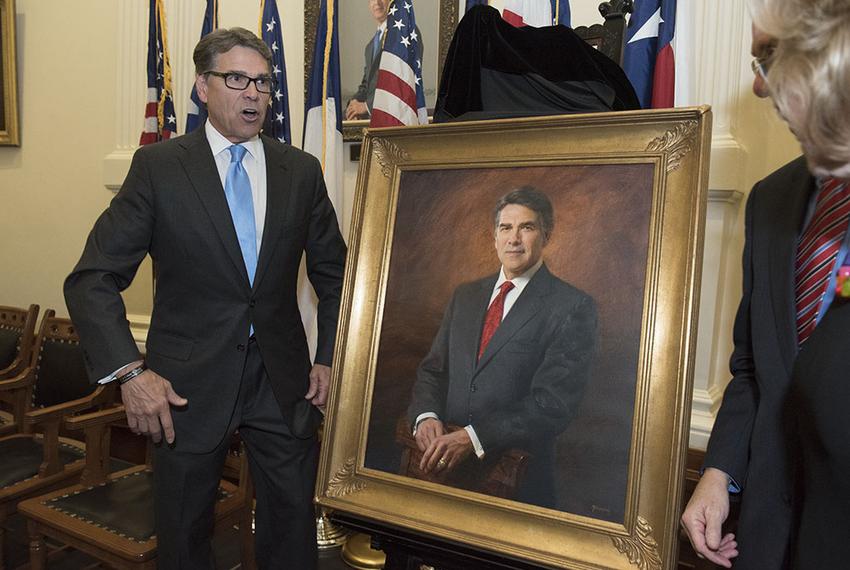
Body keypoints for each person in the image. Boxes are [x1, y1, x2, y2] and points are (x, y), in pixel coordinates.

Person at [64, 28, 346, 570]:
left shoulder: (300, 172)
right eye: (237, 79)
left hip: (283, 385)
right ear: (201, 87)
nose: (253, 94)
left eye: (263, 83)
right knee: (185, 537)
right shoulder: (159, 169)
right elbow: (92, 278)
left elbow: (337, 275)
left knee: (292, 531)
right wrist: (130, 374)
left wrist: (331, 357)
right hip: (184, 391)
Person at [681, 0, 850, 567]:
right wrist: (718, 473)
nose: (758, 87)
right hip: (767, 538)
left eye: (769, 56)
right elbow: (755, 365)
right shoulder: (770, 200)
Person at [407, 186, 597, 508]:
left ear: (546, 235)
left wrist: (473, 437)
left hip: (515, 481)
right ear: (494, 236)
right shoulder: (465, 296)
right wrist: (425, 416)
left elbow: (551, 404)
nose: (514, 239)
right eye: (505, 228)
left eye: (527, 227)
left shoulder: (572, 306)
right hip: (442, 472)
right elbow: (433, 369)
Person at [345, 0, 423, 120]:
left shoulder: (404, 32)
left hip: (397, 118)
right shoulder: (370, 46)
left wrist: (366, 106)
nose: (377, 2)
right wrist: (352, 106)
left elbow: (401, 82)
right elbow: (366, 85)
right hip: (376, 119)